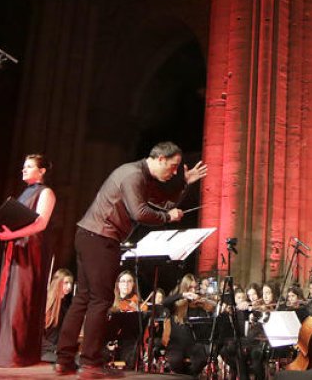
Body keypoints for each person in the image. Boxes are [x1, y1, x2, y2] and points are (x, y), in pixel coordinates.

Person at [55, 141, 209, 377]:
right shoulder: (133, 175)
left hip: (90, 236)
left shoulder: (143, 178)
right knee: (100, 300)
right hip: (101, 238)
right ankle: (90, 363)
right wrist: (168, 217)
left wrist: (184, 184)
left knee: (83, 298)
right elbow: (141, 212)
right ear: (160, 159)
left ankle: (64, 360)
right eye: (173, 166)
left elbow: (163, 203)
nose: (174, 172)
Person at [0, 154, 56, 367]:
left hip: (31, 251)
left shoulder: (46, 192)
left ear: (42, 171)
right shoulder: (25, 193)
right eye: (23, 166)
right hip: (15, 248)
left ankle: (17, 355)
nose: (23, 170)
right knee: (7, 299)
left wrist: (9, 235)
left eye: (29, 166)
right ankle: (3, 354)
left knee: (20, 301)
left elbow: (40, 224)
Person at [107, 271, 141, 366]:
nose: (126, 284)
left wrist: (137, 310)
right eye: (123, 281)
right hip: (109, 340)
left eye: (129, 281)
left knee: (129, 358)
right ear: (118, 284)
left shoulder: (137, 302)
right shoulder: (109, 301)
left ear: (133, 285)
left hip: (128, 341)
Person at [41, 269, 73, 363]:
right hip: (45, 351)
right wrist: (55, 348)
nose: (69, 286)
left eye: (70, 283)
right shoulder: (48, 304)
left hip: (58, 350)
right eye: (66, 283)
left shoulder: (66, 304)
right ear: (58, 282)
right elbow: (39, 336)